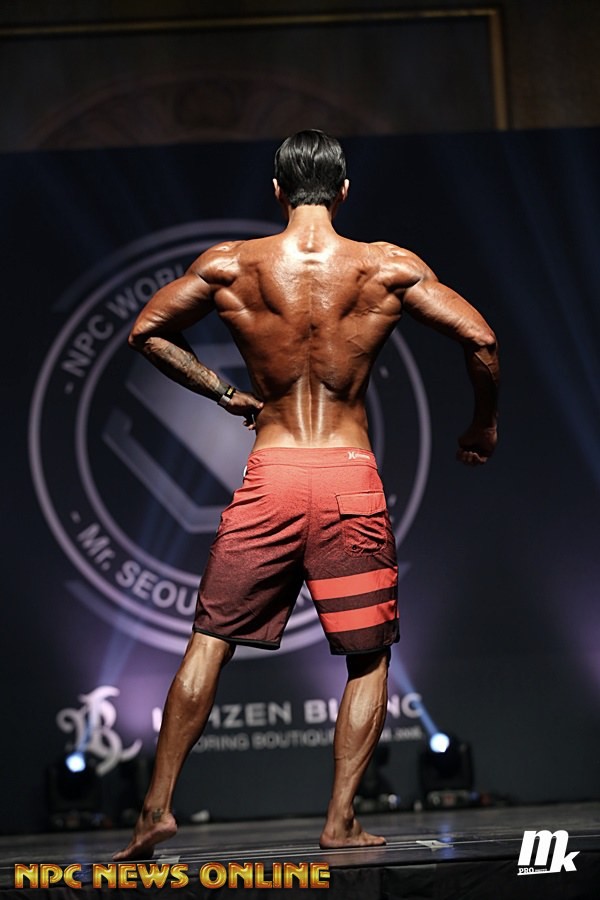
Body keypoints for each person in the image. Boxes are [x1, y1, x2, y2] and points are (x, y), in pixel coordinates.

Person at [114, 129, 499, 860]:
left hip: (273, 474)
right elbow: (480, 340)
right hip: (348, 477)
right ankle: (340, 820)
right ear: (344, 190)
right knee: (367, 657)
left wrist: (225, 393)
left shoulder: (231, 265)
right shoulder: (385, 266)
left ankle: (154, 810)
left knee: (209, 642)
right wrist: (483, 424)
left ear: (277, 190)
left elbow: (147, 333)